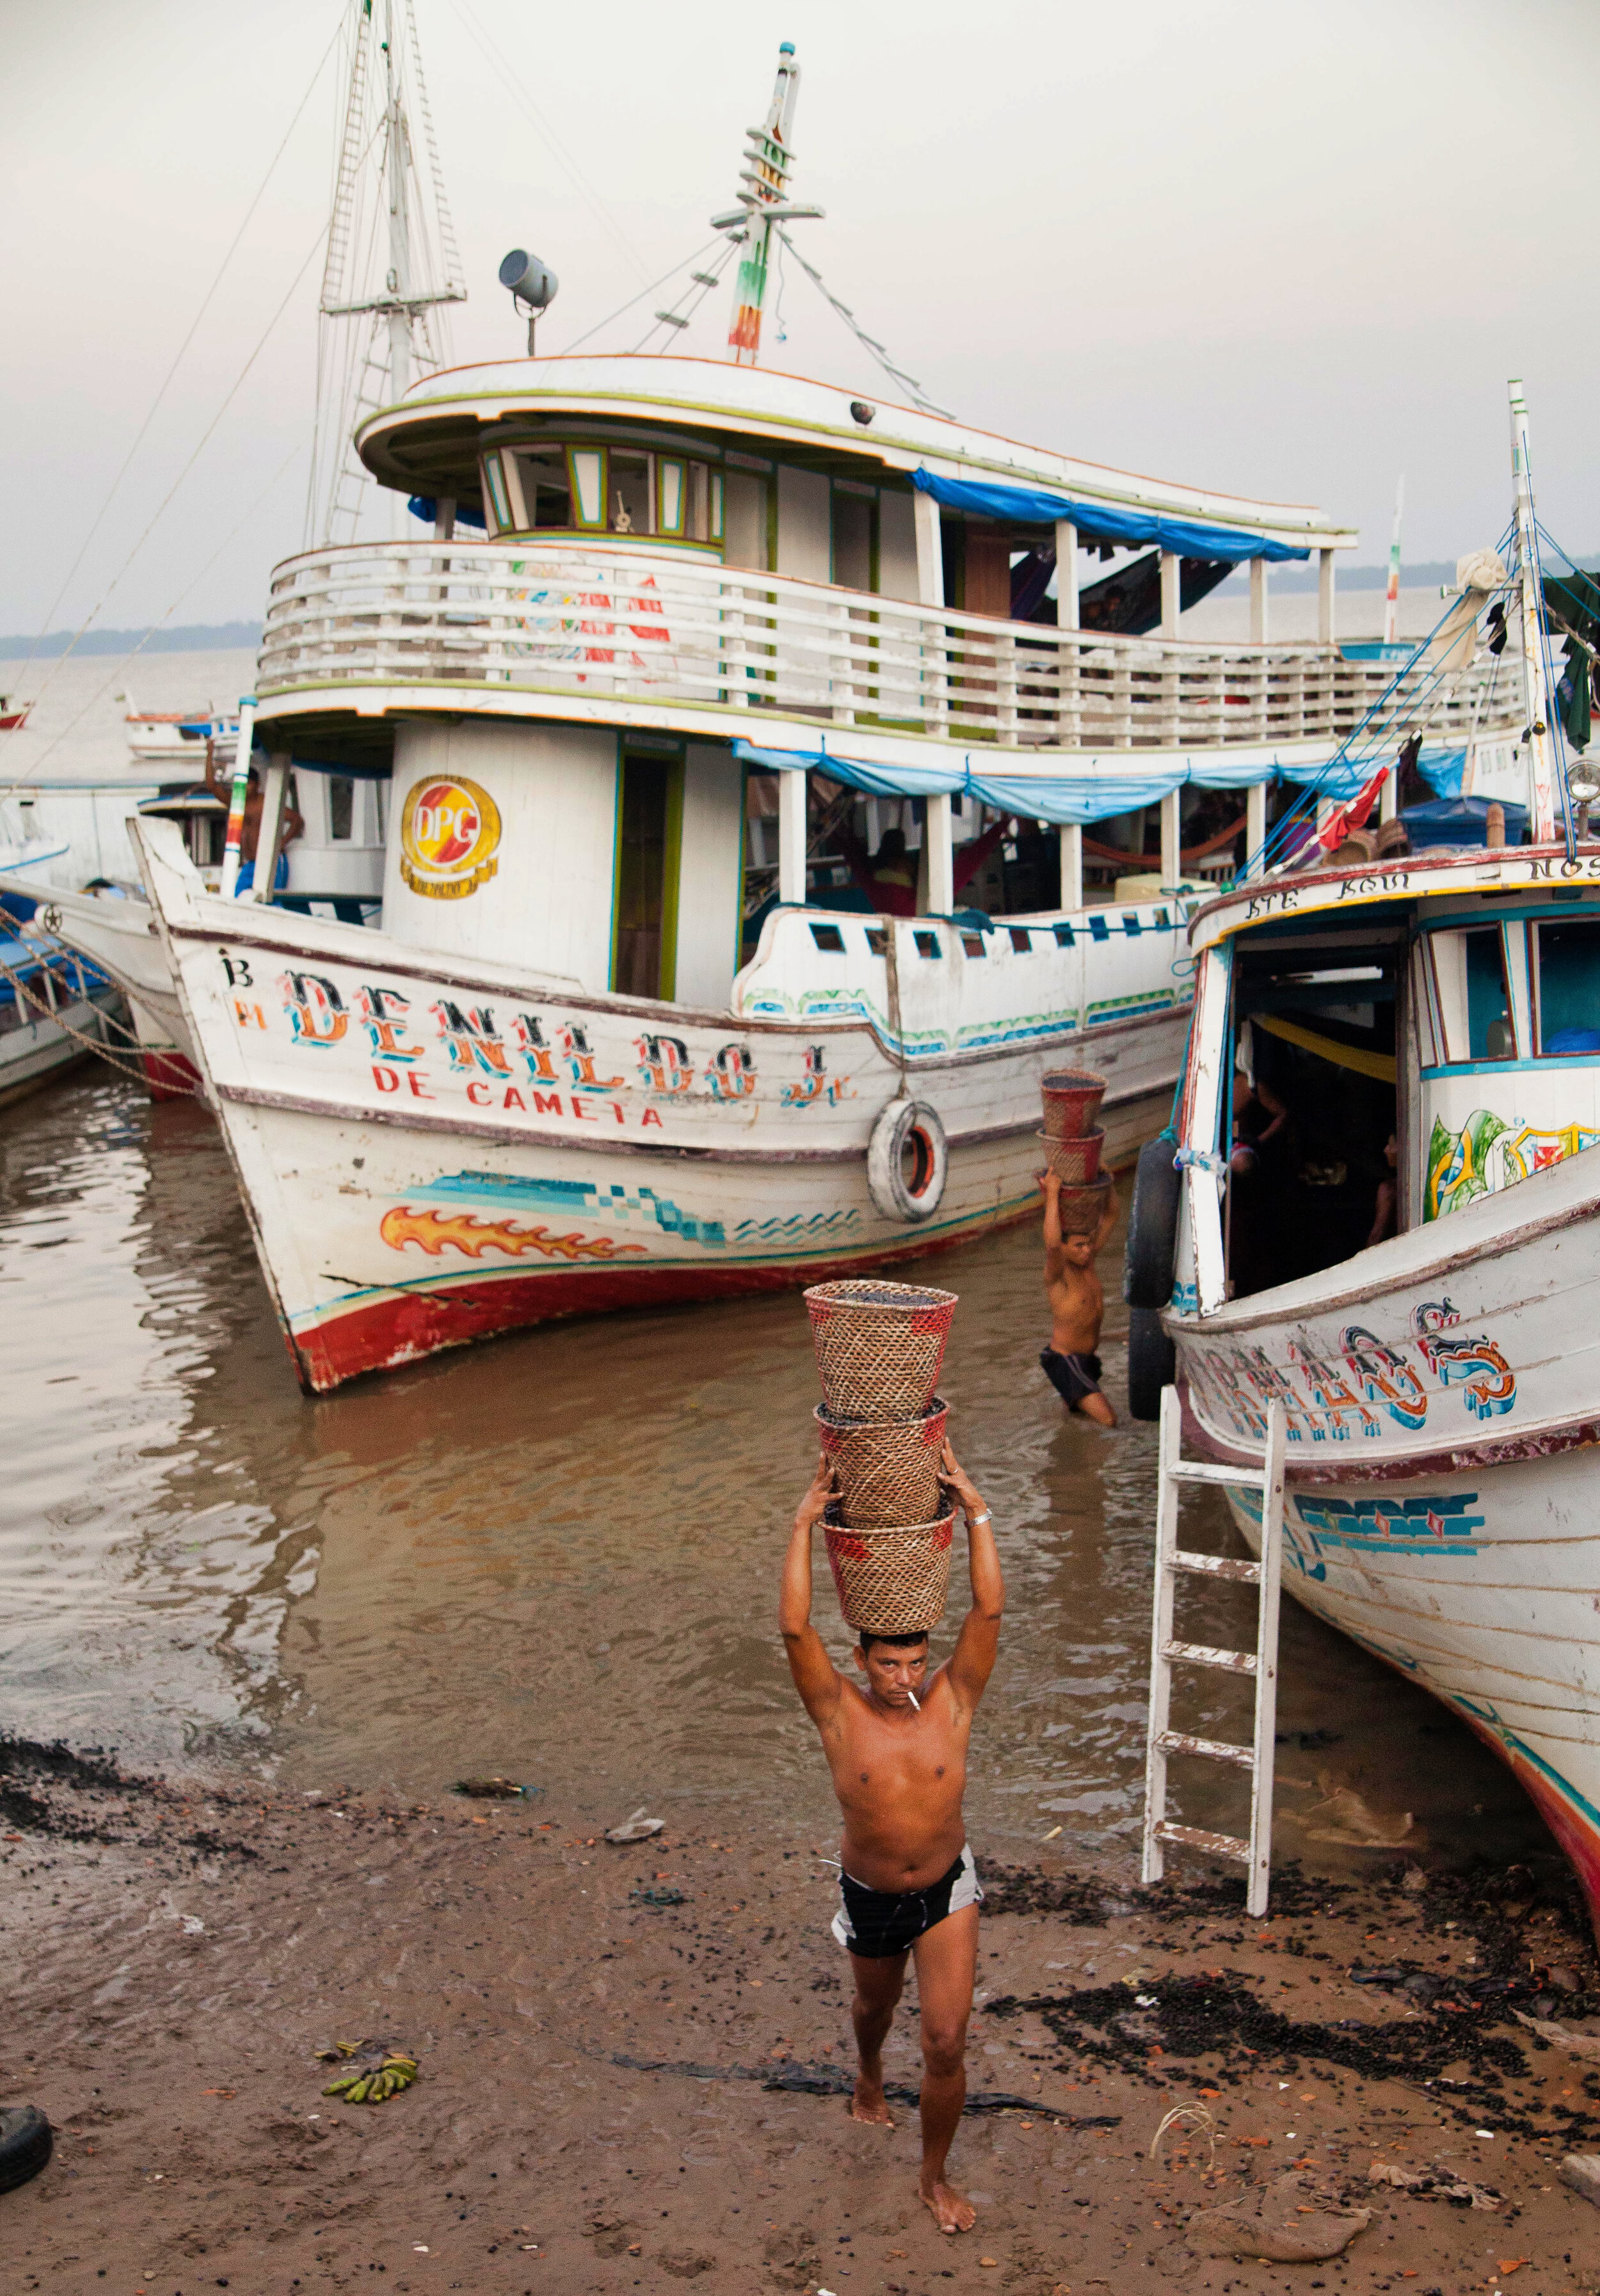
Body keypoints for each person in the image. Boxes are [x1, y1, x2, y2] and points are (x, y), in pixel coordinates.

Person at [779, 1440, 1004, 2237]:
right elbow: (794, 1625)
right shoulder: (838, 1713)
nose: (902, 1679)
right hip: (871, 1894)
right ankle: (868, 2073)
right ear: (862, 1659)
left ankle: (932, 2176)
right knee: (875, 2008)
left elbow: (988, 1613)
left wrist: (974, 1508)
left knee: (945, 2041)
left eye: (913, 1663)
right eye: (887, 1665)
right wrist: (805, 1521)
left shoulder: (954, 1702)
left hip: (947, 1890)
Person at [1038, 1168, 1119, 1424]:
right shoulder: (1058, 1276)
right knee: (1109, 1422)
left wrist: (1108, 1183)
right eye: (1078, 1246)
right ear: (1065, 1248)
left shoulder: (1089, 1262)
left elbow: (1112, 1215)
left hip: (1087, 1360)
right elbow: (1052, 1244)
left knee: (1081, 1422)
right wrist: (1052, 1193)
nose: (1087, 1251)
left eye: (1088, 1244)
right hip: (1066, 1360)